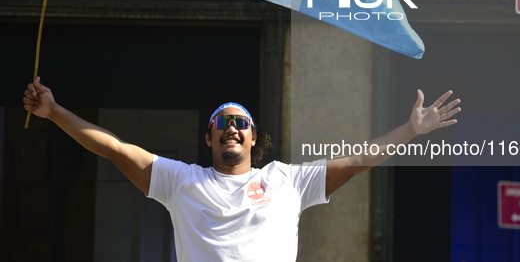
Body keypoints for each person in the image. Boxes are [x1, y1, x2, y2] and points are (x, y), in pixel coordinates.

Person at [23, 76, 460, 262]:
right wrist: (56, 111)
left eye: (241, 123)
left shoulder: (287, 180)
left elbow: (356, 161)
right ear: (209, 137)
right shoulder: (180, 181)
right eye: (222, 123)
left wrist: (408, 130)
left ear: (253, 138)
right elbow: (117, 149)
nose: (231, 129)